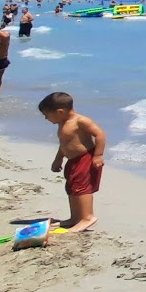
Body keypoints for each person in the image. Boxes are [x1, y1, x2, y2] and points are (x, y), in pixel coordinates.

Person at [39, 91, 105, 232]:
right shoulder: (62, 123)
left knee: (82, 188)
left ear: (60, 111)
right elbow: (65, 143)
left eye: (47, 115)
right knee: (72, 187)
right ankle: (75, 217)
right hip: (73, 160)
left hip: (85, 158)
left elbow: (99, 134)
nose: (46, 118)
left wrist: (98, 155)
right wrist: (58, 158)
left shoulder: (80, 121)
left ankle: (88, 217)